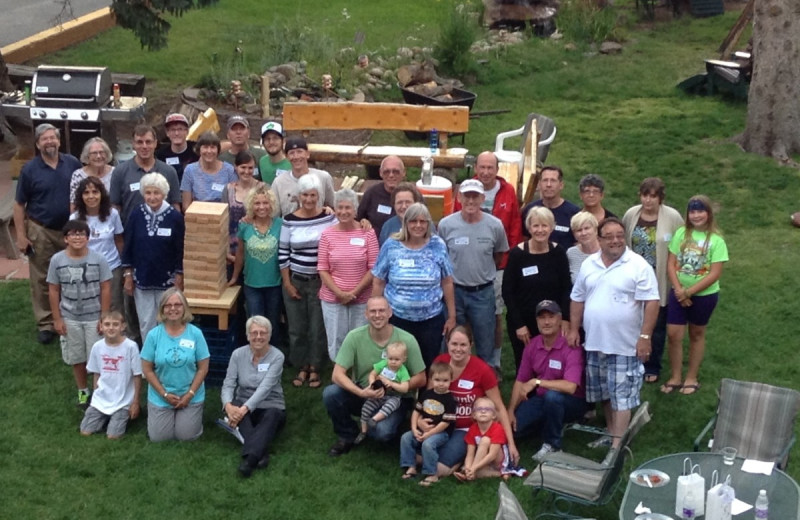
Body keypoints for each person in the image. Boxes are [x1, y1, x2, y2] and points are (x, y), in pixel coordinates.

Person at [568, 217, 659, 458]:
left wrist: (645, 336)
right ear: (599, 239)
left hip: (625, 345)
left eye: (620, 235)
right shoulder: (590, 264)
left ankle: (617, 448)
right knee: (605, 394)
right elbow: (577, 298)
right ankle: (610, 434)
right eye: (609, 236)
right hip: (595, 342)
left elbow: (652, 302)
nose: (616, 240)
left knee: (621, 396)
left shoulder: (638, 265)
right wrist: (574, 329)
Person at [323, 296, 427, 456]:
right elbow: (337, 375)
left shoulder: (407, 339)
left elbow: (421, 378)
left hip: (396, 398)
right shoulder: (354, 337)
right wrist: (362, 393)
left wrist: (398, 386)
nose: (377, 315)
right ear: (366, 314)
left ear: (390, 313)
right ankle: (348, 435)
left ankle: (397, 424)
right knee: (331, 394)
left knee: (382, 433)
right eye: (373, 311)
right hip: (365, 392)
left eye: (381, 311)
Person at [454, 151, 522, 380]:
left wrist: (504, 261)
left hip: (496, 266)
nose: (485, 172)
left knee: (494, 317)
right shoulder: (465, 191)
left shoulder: (508, 191)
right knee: (465, 320)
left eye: (489, 168)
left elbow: (513, 226)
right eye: (481, 167)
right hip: (465, 269)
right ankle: (465, 363)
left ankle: (492, 363)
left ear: (497, 169)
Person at [13, 123, 82, 344]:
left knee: (73, 274)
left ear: (59, 141)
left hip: (70, 230)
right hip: (41, 229)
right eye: (44, 139)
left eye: (53, 138)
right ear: (37, 143)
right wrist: (21, 237)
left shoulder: (72, 163)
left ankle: (71, 316)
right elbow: (19, 205)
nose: (49, 141)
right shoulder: (29, 170)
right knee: (42, 277)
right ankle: (46, 323)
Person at [372, 203, 456, 367]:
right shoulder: (391, 245)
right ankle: (401, 392)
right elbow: (378, 280)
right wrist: (376, 312)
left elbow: (447, 281)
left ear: (428, 224)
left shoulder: (438, 245)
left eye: (423, 221)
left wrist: (452, 316)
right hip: (398, 318)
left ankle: (426, 393)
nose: (418, 225)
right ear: (406, 223)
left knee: (428, 363)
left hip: (431, 319)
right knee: (398, 362)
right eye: (413, 221)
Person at [439, 179, 509, 369]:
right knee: (452, 340)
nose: (470, 201)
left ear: (482, 199)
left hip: (483, 293)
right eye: (466, 196)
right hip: (455, 292)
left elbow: (498, 254)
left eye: (475, 196)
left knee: (485, 342)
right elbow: (441, 257)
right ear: (459, 198)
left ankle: (486, 382)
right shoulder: (446, 225)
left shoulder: (495, 225)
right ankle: (450, 382)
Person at [662, 195, 728, 396]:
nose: (696, 215)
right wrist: (679, 290)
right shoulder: (681, 233)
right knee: (674, 334)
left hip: (704, 295)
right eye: (692, 211)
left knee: (696, 334)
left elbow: (715, 273)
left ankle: (691, 377)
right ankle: (675, 376)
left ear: (708, 213)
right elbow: (671, 263)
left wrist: (689, 292)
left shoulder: (717, 241)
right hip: (678, 291)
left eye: (700, 211)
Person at [432, 326, 519, 477]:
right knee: (418, 457)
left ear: (470, 346)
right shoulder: (440, 362)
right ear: (447, 343)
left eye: (463, 345)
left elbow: (498, 408)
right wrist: (421, 421)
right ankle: (462, 462)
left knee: (439, 469)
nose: (458, 349)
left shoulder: (482, 370)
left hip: (466, 429)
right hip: (441, 423)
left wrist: (511, 444)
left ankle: (461, 463)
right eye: (454, 344)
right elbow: (428, 396)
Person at [621, 177, 684, 384]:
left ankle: (652, 365)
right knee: (632, 319)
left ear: (660, 198)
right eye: (645, 195)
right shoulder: (632, 214)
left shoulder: (672, 217)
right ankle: (631, 358)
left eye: (653, 196)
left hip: (659, 279)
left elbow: (682, 246)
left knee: (656, 325)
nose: (648, 200)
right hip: (634, 277)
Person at [506, 300, 585, 461]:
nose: (547, 322)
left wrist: (537, 382)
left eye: (551, 317)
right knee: (515, 429)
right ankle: (547, 425)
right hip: (542, 399)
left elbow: (570, 387)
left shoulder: (571, 345)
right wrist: (510, 411)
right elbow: (521, 380)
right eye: (542, 318)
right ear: (536, 321)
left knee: (552, 397)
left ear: (560, 319)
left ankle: (552, 445)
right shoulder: (532, 346)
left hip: (572, 401)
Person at [279, 174, 336, 389]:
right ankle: (301, 365)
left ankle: (315, 366)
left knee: (317, 326)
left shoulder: (329, 218)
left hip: (321, 281)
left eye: (313, 195)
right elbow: (283, 253)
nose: (309, 199)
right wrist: (287, 283)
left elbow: (340, 237)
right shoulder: (289, 219)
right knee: (296, 327)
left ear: (319, 196)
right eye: (305, 195)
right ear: (299, 196)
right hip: (296, 279)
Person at [47, 220, 112, 406]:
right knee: (77, 358)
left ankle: (98, 395)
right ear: (65, 238)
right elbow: (53, 290)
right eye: (73, 234)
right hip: (70, 318)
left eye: (81, 234)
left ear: (88, 238)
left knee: (97, 357)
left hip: (94, 317)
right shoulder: (57, 260)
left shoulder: (98, 259)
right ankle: (83, 392)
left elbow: (106, 288)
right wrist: (57, 318)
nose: (77, 237)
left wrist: (104, 316)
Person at [502, 206, 572, 371]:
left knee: (551, 365)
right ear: (529, 227)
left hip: (552, 321)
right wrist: (519, 325)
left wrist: (565, 319)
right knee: (525, 365)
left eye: (544, 225)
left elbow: (566, 287)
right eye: (536, 226)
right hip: (523, 322)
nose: (540, 230)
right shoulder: (517, 255)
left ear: (551, 227)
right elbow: (508, 291)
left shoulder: (559, 253)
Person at [121, 173, 185, 343]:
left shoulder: (175, 217)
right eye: (148, 193)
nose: (152, 197)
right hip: (142, 278)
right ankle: (148, 361)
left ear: (164, 194)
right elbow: (129, 245)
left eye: (156, 193)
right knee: (146, 321)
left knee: (168, 319)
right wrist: (128, 275)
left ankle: (167, 359)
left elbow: (180, 249)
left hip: (167, 280)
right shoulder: (137, 214)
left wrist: (179, 275)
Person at [140, 288, 210, 442]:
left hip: (190, 395)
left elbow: (203, 368)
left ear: (184, 307)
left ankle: (190, 417)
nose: (173, 308)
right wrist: (163, 394)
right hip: (161, 395)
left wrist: (190, 394)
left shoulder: (195, 333)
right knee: (159, 438)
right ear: (162, 309)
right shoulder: (153, 335)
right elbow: (147, 369)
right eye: (168, 305)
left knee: (186, 437)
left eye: (178, 304)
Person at [221, 315, 286, 477]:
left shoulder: (277, 356)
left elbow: (265, 389)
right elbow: (228, 383)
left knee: (272, 415)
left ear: (269, 336)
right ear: (248, 335)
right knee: (235, 407)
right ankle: (260, 453)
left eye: (263, 333)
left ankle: (250, 460)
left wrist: (242, 411)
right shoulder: (237, 354)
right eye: (254, 333)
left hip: (270, 404)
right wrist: (228, 406)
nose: (258, 337)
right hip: (242, 403)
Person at [318, 188, 379, 361]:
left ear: (356, 210)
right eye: (340, 207)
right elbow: (322, 268)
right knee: (336, 339)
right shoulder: (327, 235)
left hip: (361, 298)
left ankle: (358, 377)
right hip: (332, 298)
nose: (343, 212)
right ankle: (339, 379)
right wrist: (339, 293)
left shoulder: (367, 232)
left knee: (359, 339)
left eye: (348, 208)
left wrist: (354, 293)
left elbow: (373, 267)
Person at [229, 186, 282, 335]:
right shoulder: (244, 225)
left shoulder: (281, 224)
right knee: (254, 323)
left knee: (273, 324)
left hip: (275, 284)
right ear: (251, 205)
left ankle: (274, 356)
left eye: (265, 203)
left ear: (271, 204)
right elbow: (240, 253)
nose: (261, 207)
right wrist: (234, 276)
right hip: (252, 284)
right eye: (257, 203)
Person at [80, 311, 142, 439]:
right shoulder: (97, 347)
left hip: (123, 400)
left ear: (123, 326)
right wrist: (95, 396)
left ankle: (118, 419)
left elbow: (137, 375)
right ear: (101, 326)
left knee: (113, 436)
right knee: (85, 432)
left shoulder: (131, 347)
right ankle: (103, 417)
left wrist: (135, 402)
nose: (111, 328)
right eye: (107, 324)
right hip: (101, 399)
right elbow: (96, 373)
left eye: (115, 324)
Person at [71, 176, 125, 316]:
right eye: (86, 193)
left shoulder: (113, 214)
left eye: (95, 192)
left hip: (112, 267)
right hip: (86, 269)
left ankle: (114, 336)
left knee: (114, 306)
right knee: (90, 305)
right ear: (80, 196)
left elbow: (119, 240)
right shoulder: (74, 218)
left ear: (102, 194)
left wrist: (125, 267)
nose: (91, 196)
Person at [399, 361, 457, 486]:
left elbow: (445, 423)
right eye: (437, 380)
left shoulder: (450, 400)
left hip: (441, 432)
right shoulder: (426, 394)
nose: (441, 384)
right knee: (406, 438)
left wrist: (430, 433)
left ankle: (431, 473)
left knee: (428, 444)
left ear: (451, 380)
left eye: (445, 380)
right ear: (431, 379)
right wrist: (414, 428)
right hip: (422, 429)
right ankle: (410, 466)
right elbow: (416, 412)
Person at [110, 124, 181, 225]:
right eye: (139, 142)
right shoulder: (120, 172)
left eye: (148, 142)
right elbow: (115, 207)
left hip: (163, 232)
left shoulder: (169, 171)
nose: (144, 146)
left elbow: (175, 206)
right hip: (131, 233)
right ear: (133, 144)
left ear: (155, 143)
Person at [355, 341, 410, 445]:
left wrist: (392, 384)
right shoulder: (383, 364)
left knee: (390, 406)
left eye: (397, 359)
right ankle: (363, 431)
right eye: (390, 358)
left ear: (403, 359)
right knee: (366, 407)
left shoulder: (403, 371)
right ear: (386, 357)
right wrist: (372, 384)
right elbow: (372, 374)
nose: (393, 362)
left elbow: (405, 388)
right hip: (380, 394)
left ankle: (374, 420)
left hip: (394, 396)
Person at [271, 137, 335, 216]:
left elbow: (332, 206)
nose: (296, 156)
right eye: (292, 153)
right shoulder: (278, 182)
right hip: (290, 226)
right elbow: (274, 215)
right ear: (286, 157)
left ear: (307, 154)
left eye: (299, 152)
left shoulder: (323, 177)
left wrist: (329, 210)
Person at [521, 165, 580, 250]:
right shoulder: (529, 211)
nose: (548, 185)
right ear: (539, 184)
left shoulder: (574, 213)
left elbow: (578, 245)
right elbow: (524, 240)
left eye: (553, 181)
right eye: (545, 180)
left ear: (561, 185)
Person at [221, 150, 265, 265]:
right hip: (232, 249)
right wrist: (225, 250)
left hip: (257, 248)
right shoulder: (228, 189)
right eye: (243, 167)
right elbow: (223, 222)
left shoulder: (263, 188)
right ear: (236, 167)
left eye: (250, 168)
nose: (247, 171)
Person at [454, 397, 511, 481]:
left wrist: (473, 468)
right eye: (479, 409)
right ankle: (472, 474)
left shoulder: (497, 428)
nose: (483, 411)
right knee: (477, 472)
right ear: (474, 415)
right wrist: (468, 468)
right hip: (483, 461)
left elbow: (492, 455)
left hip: (498, 461)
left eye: (487, 409)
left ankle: (472, 473)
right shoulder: (473, 429)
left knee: (485, 440)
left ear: (494, 415)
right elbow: (470, 454)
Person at [180, 131, 238, 209]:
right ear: (199, 149)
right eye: (205, 147)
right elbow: (186, 206)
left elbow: (234, 202)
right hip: (197, 216)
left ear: (218, 150)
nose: (209, 151)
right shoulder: (189, 170)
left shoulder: (229, 170)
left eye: (212, 147)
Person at [356, 155, 406, 238]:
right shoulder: (371, 193)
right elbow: (358, 220)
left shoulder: (412, 196)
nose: (391, 175)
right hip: (374, 245)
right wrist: (363, 222)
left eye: (396, 171)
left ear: (403, 172)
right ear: (380, 173)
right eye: (387, 171)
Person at [69, 137, 115, 212]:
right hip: (84, 219)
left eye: (102, 152)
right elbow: (74, 204)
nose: (98, 156)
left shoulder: (115, 173)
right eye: (94, 153)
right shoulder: (78, 175)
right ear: (87, 156)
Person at [155, 113, 198, 183]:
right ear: (167, 133)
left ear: (187, 131)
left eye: (180, 129)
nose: (176, 133)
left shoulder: (196, 150)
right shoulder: (160, 155)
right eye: (172, 130)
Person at [566, 211, 600, 284]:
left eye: (587, 228)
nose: (583, 233)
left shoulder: (607, 251)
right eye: (579, 230)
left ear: (595, 230)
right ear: (574, 234)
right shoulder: (571, 253)